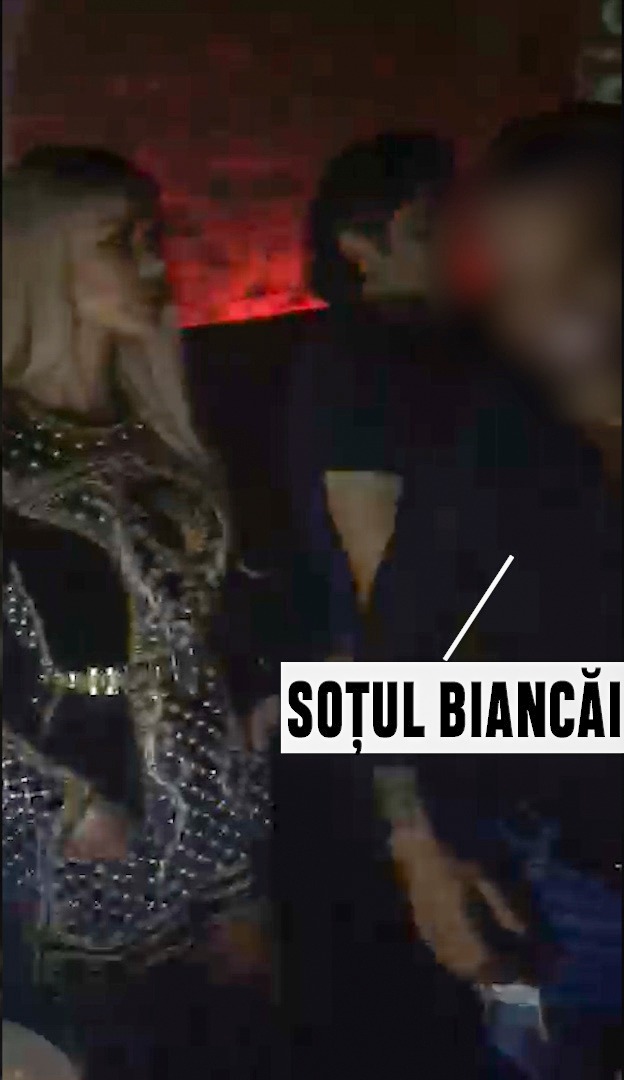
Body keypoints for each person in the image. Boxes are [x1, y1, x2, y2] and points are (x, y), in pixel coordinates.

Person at [2, 146, 278, 1079]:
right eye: (121, 241)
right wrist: (63, 806)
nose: (155, 263)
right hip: (70, 814)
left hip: (216, 810)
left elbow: (225, 631)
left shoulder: (168, 429)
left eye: (154, 236)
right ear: (43, 261)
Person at [378, 105, 622, 1078]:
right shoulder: (497, 431)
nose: (547, 310)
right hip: (567, 897)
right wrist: (418, 846)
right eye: (517, 281)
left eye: (587, 264)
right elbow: (403, 642)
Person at [279, 132, 488, 1078]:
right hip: (394, 704)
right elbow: (382, 596)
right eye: (428, 225)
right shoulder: (357, 360)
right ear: (359, 245)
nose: (461, 240)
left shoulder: (471, 343)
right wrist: (413, 822)